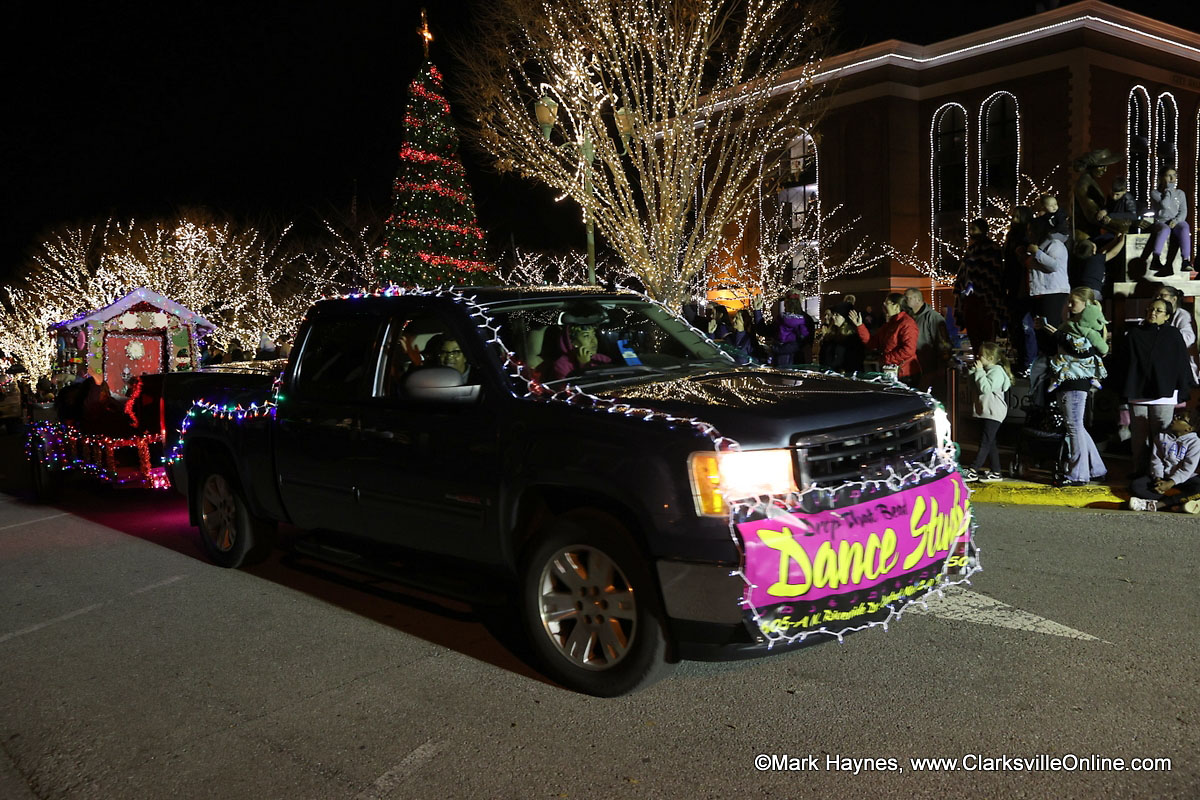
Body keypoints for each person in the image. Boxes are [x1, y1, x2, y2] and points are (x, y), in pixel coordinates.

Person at [1118, 298, 1196, 477]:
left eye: (1159, 310)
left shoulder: (1173, 335)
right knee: (1138, 436)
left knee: (1162, 436)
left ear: (1167, 316)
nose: (1153, 313)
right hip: (1138, 393)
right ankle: (1139, 471)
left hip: (1164, 394)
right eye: (1150, 309)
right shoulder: (1134, 333)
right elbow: (1124, 363)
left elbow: (1180, 363)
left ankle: (1161, 474)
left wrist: (1183, 388)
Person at [1044, 287, 1109, 486]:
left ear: (1086, 304)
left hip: (1076, 381)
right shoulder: (1070, 324)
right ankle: (1097, 469)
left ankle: (1078, 474)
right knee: (1076, 426)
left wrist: (1059, 335)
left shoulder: (1087, 327)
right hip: (1067, 380)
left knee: (1074, 426)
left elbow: (1083, 351)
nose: (1070, 305)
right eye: (1069, 302)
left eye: (1074, 302)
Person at [960, 341, 1012, 483]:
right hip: (985, 411)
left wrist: (980, 371)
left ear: (990, 358)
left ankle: (973, 470)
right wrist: (973, 372)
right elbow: (974, 386)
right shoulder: (986, 370)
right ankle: (996, 472)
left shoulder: (996, 372)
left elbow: (985, 388)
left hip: (994, 412)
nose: (978, 357)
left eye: (981, 355)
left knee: (985, 442)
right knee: (990, 443)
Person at [955, 218, 1007, 355]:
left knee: (988, 333)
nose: (971, 232)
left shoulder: (993, 248)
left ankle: (990, 360)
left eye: (974, 229)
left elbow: (995, 273)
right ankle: (979, 361)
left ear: (983, 230)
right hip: (971, 299)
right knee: (973, 332)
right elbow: (964, 273)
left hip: (989, 299)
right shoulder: (970, 249)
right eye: (970, 229)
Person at [1127, 415, 1200, 513]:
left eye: (1181, 418)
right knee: (1135, 486)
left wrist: (1171, 483)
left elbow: (1188, 469)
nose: (1175, 418)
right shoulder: (1162, 436)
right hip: (1163, 476)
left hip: (1184, 478)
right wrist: (1158, 478)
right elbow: (1156, 460)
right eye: (1176, 415)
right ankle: (1178, 502)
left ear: (1188, 428)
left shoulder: (1195, 442)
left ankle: (1158, 505)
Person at [1026, 218, 1071, 358]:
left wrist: (1037, 254)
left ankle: (1056, 357)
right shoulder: (1038, 246)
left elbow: (1054, 266)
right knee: (1040, 328)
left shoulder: (1055, 244)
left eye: (1031, 230)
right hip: (1041, 292)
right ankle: (1046, 357)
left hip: (1054, 292)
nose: (1029, 233)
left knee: (1050, 327)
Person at [850, 293, 919, 383]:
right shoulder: (889, 324)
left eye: (887, 303)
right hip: (890, 371)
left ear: (896, 306)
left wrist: (886, 359)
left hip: (905, 374)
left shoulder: (907, 324)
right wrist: (860, 326)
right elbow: (872, 343)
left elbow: (908, 350)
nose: (884, 306)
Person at [1002, 206, 1037, 374]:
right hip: (1012, 284)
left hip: (1022, 285)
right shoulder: (1011, 236)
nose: (1013, 220)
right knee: (1016, 326)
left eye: (1017, 217)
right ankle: (1022, 359)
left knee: (1025, 326)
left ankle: (1029, 361)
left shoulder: (1025, 237)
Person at [1148, 166, 1191, 277]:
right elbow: (1165, 205)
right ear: (1162, 178)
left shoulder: (1181, 193)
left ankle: (1185, 260)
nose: (1172, 178)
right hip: (1161, 221)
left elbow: (1183, 211)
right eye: (1169, 175)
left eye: (1174, 175)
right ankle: (1155, 258)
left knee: (1184, 226)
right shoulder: (1155, 193)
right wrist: (1168, 190)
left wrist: (1176, 221)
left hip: (1175, 222)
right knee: (1165, 229)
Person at [1071, 148, 1122, 240]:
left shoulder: (1090, 181)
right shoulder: (1084, 184)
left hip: (1092, 233)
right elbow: (1093, 216)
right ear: (1092, 166)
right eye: (1101, 166)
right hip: (1085, 237)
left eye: (1106, 166)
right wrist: (1123, 226)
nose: (1105, 170)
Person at [903, 288, 950, 381]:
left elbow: (943, 342)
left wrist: (941, 366)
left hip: (928, 367)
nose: (904, 301)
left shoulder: (933, 317)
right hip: (912, 367)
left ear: (918, 299)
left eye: (907, 298)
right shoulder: (908, 317)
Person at [1155, 284, 1198, 381]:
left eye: (1162, 295)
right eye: (1157, 295)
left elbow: (1189, 338)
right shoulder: (1162, 315)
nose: (1158, 298)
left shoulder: (1183, 315)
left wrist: (1165, 337)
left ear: (1174, 299)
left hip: (1182, 366)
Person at [816, 302, 865, 374]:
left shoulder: (852, 338)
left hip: (845, 376)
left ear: (845, 318)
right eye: (834, 314)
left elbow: (855, 361)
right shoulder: (831, 335)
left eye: (837, 315)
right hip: (829, 375)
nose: (833, 317)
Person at [1071, 235, 1123, 303]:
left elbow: (1103, 251)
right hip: (1093, 292)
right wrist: (1122, 241)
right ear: (1093, 250)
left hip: (1083, 291)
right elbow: (1113, 253)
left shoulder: (1086, 260)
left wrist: (1115, 240)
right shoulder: (1097, 259)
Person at [773, 295, 810, 367]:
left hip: (780, 352)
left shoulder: (780, 319)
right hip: (795, 356)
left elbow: (770, 331)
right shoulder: (802, 322)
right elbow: (805, 337)